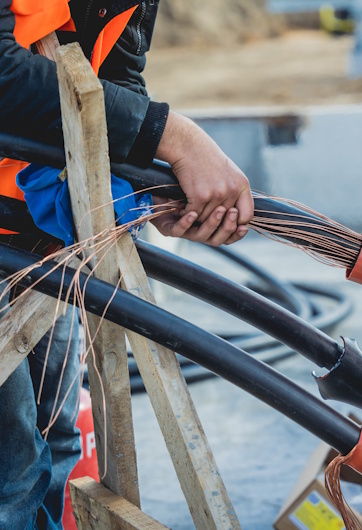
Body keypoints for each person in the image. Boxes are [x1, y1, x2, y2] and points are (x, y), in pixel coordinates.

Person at [0, 1, 254, 528]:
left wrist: (142, 186)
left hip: (38, 233)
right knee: (14, 473)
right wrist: (173, 135)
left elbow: (117, 71)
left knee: (56, 437)